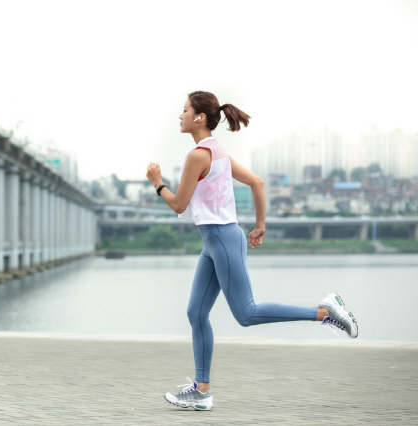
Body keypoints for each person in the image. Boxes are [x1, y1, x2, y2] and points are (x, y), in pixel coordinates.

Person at [145, 91, 358, 412]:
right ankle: (201, 391)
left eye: (185, 110)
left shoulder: (198, 156)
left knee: (246, 313)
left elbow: (178, 203)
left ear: (199, 118)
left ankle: (325, 312)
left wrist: (157, 182)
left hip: (222, 240)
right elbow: (257, 183)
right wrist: (260, 226)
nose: (180, 115)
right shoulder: (217, 152)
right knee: (196, 313)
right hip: (219, 240)